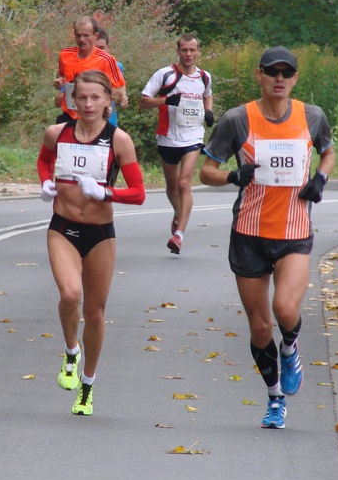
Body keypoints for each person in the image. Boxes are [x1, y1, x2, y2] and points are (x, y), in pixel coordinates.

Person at [198, 46, 334, 430]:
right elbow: (207, 171)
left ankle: (290, 348)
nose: (279, 79)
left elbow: (327, 153)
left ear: (294, 78)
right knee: (260, 328)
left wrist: (319, 180)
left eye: (286, 73)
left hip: (293, 231)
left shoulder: (312, 116)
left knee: (286, 311)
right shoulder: (237, 119)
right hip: (249, 233)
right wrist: (232, 176)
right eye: (271, 73)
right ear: (259, 75)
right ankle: (275, 399)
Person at [37, 69, 146, 416]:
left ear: (107, 102)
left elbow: (140, 193)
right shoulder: (58, 133)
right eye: (81, 97)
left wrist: (106, 192)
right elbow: (43, 160)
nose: (87, 104)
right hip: (63, 226)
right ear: (72, 99)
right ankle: (71, 352)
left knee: (95, 314)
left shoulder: (119, 140)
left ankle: (87, 384)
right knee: (70, 294)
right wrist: (45, 182)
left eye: (95, 98)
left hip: (100, 234)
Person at [139, 33, 214, 254]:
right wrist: (165, 100)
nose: (189, 54)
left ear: (199, 51)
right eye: (184, 50)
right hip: (168, 137)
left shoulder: (204, 77)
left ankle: (179, 235)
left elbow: (207, 95)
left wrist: (208, 111)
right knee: (172, 187)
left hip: (193, 136)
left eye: (193, 50)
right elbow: (143, 102)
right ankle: (178, 213)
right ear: (178, 51)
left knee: (183, 184)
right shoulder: (165, 75)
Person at [53, 16, 127, 124]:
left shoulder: (106, 59)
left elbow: (119, 92)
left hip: (95, 119)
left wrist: (96, 91)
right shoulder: (65, 55)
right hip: (69, 117)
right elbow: (62, 76)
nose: (82, 39)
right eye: (78, 35)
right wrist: (60, 84)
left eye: (86, 35)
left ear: (95, 36)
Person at [94, 27, 124, 127]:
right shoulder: (79, 67)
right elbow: (60, 101)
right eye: (95, 48)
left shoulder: (117, 66)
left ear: (108, 48)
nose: (98, 52)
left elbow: (120, 97)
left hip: (110, 124)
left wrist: (123, 100)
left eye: (101, 48)